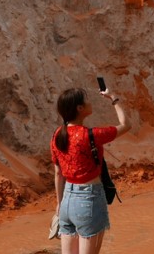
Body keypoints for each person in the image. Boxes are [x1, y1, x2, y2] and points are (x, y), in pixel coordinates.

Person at [51, 87, 131, 254]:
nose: (90, 102)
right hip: (89, 199)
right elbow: (126, 124)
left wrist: (59, 204)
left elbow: (58, 174)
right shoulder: (91, 135)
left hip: (66, 201)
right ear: (79, 108)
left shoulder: (58, 135)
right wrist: (114, 97)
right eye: (86, 100)